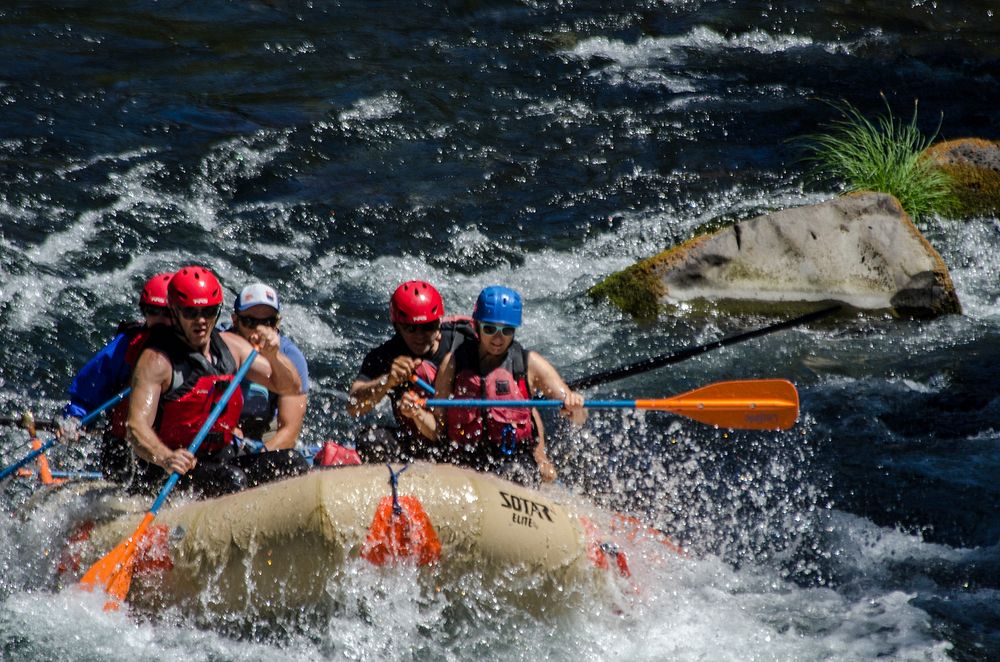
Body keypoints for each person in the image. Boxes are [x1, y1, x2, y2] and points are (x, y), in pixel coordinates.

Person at [126, 265, 308, 498]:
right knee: (232, 480)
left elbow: (289, 386)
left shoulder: (231, 347)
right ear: (174, 311)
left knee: (292, 462)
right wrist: (165, 457)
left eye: (209, 312)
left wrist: (274, 356)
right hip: (169, 471)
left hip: (222, 459)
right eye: (191, 312)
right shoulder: (156, 361)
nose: (201, 321)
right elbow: (136, 427)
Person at [403, 286, 586, 485]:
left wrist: (575, 406)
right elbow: (438, 430)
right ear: (476, 326)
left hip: (514, 461)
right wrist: (417, 414)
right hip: (464, 461)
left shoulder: (530, 364)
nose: (498, 338)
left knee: (515, 473)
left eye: (506, 330)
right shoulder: (453, 364)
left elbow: (578, 417)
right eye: (490, 329)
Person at [61, 272, 174, 481]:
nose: (160, 320)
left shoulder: (197, 348)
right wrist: (74, 419)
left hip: (176, 446)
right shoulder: (125, 347)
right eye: (152, 311)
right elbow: (87, 394)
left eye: (167, 313)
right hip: (125, 450)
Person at [347, 280, 473, 462]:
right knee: (371, 439)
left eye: (428, 326)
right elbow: (353, 407)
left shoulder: (464, 343)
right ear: (397, 327)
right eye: (411, 328)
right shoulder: (385, 357)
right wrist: (387, 381)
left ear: (438, 324)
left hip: (461, 441)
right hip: (417, 443)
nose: (420, 336)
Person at [222, 282, 309, 451]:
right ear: (235, 321)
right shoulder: (219, 343)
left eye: (268, 322)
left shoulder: (290, 356)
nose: (259, 331)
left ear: (277, 323)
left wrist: (258, 455)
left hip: (264, 430)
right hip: (223, 426)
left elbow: (289, 432)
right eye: (250, 322)